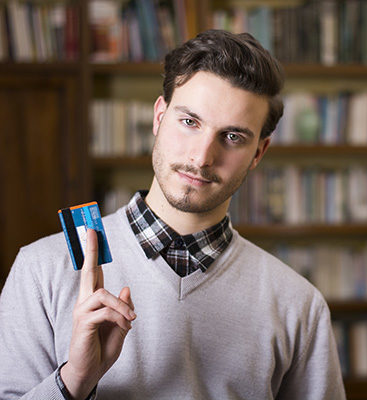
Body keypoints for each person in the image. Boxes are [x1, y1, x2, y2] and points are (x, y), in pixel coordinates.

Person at [0, 30, 345, 399]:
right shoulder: (41, 270)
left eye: (232, 137)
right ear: (159, 117)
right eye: (189, 122)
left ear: (259, 153)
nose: (201, 157)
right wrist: (74, 381)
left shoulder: (298, 305)